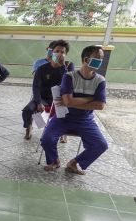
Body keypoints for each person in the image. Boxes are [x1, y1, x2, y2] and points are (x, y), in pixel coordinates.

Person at [41, 45, 108, 175]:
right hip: (64, 117)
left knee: (101, 145)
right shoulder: (70, 77)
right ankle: (54, 160)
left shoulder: (100, 80)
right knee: (46, 139)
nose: (100, 61)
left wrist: (73, 102)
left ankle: (74, 163)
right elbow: (67, 102)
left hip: (85, 120)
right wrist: (90, 98)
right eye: (97, 58)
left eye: (101, 58)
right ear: (86, 59)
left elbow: (100, 106)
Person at [22, 39, 74, 140]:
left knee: (65, 114)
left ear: (65, 55)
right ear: (52, 52)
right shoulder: (42, 68)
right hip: (43, 98)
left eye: (62, 52)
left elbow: (70, 83)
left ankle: (62, 132)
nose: (59, 54)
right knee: (27, 110)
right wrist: (38, 102)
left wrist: (63, 66)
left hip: (60, 99)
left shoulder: (68, 67)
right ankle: (30, 127)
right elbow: (36, 86)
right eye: (56, 51)